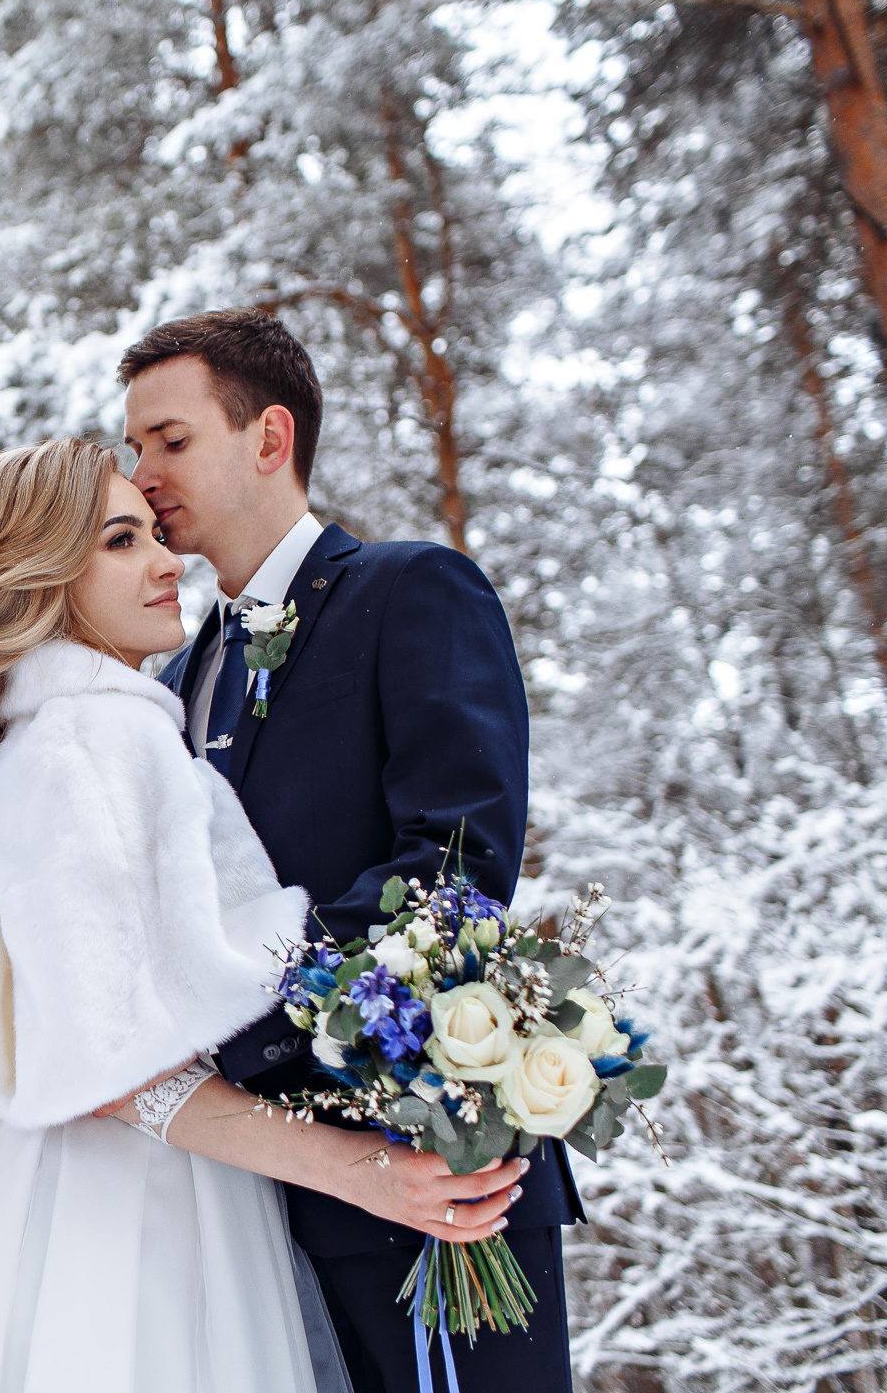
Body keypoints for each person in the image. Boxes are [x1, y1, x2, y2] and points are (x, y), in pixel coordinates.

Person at [0, 436, 522, 1393]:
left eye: (153, 532)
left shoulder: (75, 732)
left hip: (92, 1196)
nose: (167, 561)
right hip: (126, 1220)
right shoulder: (81, 744)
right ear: (44, 580)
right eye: (121, 541)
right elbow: (112, 1071)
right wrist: (357, 1170)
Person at [122, 308, 583, 1393]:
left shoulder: (412, 591)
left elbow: (457, 865)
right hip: (249, 1203)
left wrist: (232, 1004)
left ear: (270, 437)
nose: (142, 475)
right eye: (134, 447)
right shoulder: (171, 678)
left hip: (435, 1163)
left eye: (171, 440)